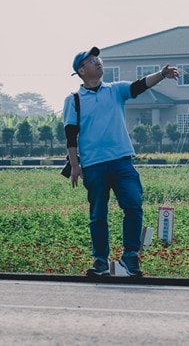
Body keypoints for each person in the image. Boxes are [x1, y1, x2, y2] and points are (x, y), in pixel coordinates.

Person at [63, 46, 180, 278]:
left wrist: (161, 74)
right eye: (91, 60)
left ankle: (130, 257)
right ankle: (100, 262)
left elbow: (139, 85)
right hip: (94, 165)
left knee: (133, 205)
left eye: (98, 58)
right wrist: (75, 165)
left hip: (122, 163)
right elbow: (70, 133)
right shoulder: (74, 100)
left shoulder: (115, 90)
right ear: (81, 70)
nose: (98, 62)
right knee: (98, 214)